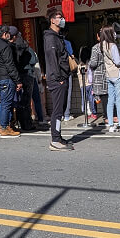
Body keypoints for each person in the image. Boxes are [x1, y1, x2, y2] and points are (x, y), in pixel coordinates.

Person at [43, 9, 74, 150]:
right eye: (59, 17)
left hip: (62, 76)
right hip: (57, 79)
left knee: (60, 109)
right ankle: (55, 140)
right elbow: (52, 60)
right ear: (52, 20)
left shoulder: (58, 36)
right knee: (57, 110)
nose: (62, 19)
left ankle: (58, 136)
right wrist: (59, 77)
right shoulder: (50, 38)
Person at [0, 25, 22, 139]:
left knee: (3, 102)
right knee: (6, 103)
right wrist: (18, 80)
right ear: (5, 34)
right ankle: (4, 127)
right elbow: (9, 64)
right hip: (6, 76)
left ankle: (4, 126)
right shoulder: (5, 46)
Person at [95, 26, 120, 133]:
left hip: (108, 74)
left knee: (110, 100)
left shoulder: (102, 45)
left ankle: (111, 124)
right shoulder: (112, 45)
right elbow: (118, 61)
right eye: (113, 32)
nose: (115, 33)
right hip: (117, 74)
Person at [11, 27, 37, 131]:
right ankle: (27, 124)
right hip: (28, 75)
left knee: (18, 101)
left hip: (16, 76)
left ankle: (18, 122)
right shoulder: (27, 48)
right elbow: (33, 60)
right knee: (26, 101)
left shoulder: (12, 48)